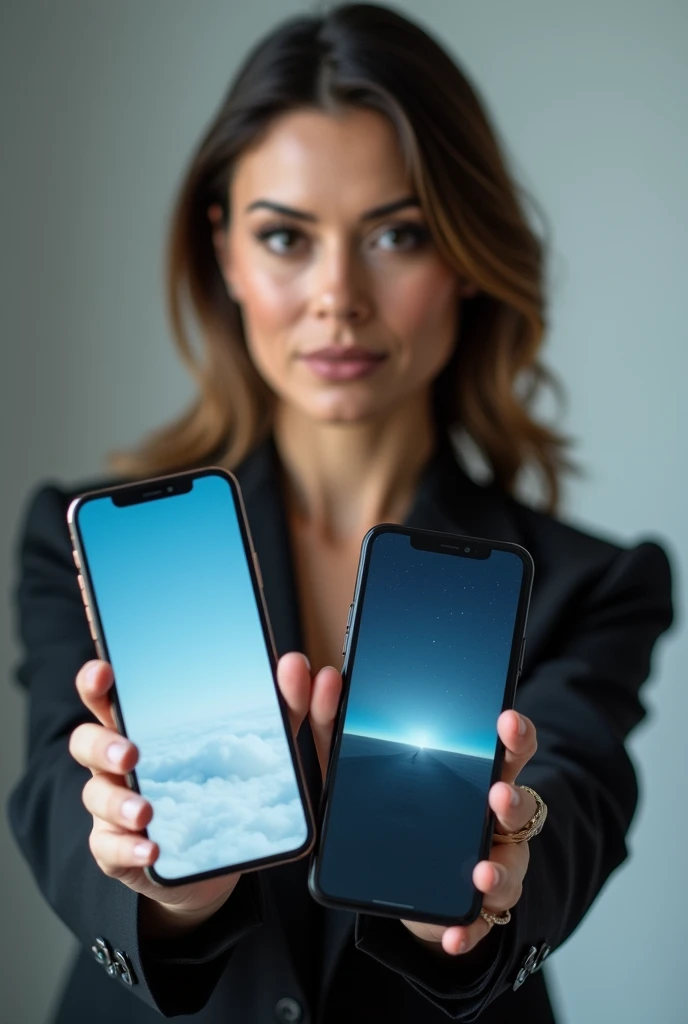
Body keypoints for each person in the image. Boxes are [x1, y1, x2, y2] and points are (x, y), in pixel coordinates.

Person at [8, 4, 673, 1022]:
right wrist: (159, 886)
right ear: (223, 250)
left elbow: (572, 814)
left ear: (462, 255)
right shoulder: (87, 540)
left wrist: (489, 882)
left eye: (396, 234)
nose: (337, 296)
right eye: (285, 236)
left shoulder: (596, 579)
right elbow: (57, 794)